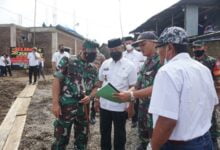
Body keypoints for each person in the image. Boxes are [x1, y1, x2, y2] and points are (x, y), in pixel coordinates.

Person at [148, 26, 218, 150]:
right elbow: (212, 102)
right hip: (205, 140)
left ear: (169, 47)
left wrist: (153, 146)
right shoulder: (203, 69)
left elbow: (167, 120)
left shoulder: (167, 72)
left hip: (179, 145)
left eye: (160, 48)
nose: (159, 52)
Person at [114, 32, 162, 150]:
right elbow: (137, 84)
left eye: (143, 44)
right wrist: (126, 95)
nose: (140, 48)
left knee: (155, 142)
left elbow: (158, 87)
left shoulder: (161, 62)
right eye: (139, 46)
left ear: (155, 43)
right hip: (143, 109)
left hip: (156, 110)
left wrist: (131, 95)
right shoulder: (146, 62)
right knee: (144, 139)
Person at [51, 40, 99, 150]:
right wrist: (55, 103)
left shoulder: (93, 69)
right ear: (83, 49)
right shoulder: (68, 61)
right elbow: (57, 80)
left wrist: (90, 97)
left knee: (82, 139)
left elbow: (96, 87)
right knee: (61, 138)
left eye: (95, 53)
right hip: (66, 107)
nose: (93, 55)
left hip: (84, 108)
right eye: (91, 52)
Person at [95, 38, 137, 150]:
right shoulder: (105, 63)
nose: (114, 51)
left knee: (120, 136)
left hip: (120, 107)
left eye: (116, 49)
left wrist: (131, 106)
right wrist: (96, 100)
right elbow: (100, 83)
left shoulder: (130, 66)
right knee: (104, 134)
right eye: (111, 50)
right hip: (104, 106)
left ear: (122, 47)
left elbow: (133, 87)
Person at [192, 40, 219, 149]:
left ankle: (214, 142)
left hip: (208, 97)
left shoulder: (212, 61)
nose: (196, 50)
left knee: (211, 118)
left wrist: (217, 97)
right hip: (194, 97)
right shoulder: (190, 61)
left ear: (205, 48)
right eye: (194, 48)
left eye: (199, 47)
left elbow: (218, 80)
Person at [122, 36, 146, 128]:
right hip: (124, 79)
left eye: (130, 43)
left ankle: (134, 119)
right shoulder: (122, 55)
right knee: (125, 97)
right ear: (124, 44)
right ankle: (124, 114)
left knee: (134, 99)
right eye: (126, 43)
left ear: (133, 43)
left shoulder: (139, 54)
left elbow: (142, 66)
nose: (128, 45)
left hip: (136, 79)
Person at [90, 48, 106, 125]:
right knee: (87, 96)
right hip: (88, 77)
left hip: (97, 78)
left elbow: (105, 66)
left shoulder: (101, 56)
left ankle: (92, 116)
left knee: (95, 96)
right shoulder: (89, 54)